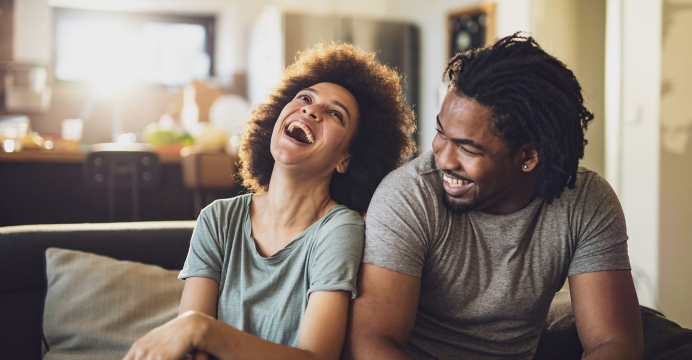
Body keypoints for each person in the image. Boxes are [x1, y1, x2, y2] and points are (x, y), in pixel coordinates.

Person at [344, 32, 643, 360]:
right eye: (441, 133)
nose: (444, 159)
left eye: (467, 148)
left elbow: (613, 342)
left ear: (528, 156)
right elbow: (371, 344)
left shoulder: (585, 201)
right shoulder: (408, 195)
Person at [124, 43, 416, 360]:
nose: (310, 111)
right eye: (305, 98)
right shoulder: (217, 219)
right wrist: (198, 332)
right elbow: (192, 349)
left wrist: (204, 330)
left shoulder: (340, 229)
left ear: (345, 159)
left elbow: (316, 357)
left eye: (335, 114)